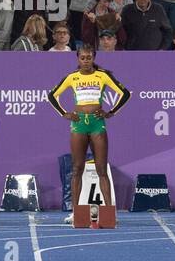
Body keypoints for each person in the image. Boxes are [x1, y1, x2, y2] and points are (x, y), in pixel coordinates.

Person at [48, 45, 131, 217]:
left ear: (94, 58)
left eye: (89, 57)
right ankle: (75, 212)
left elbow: (125, 93)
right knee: (77, 168)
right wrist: (65, 113)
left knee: (101, 169)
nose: (86, 61)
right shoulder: (72, 77)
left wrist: (111, 112)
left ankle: (109, 213)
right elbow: (51, 95)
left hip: (97, 123)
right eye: (83, 58)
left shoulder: (103, 76)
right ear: (78, 59)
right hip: (78, 124)